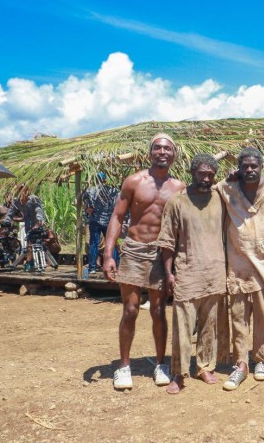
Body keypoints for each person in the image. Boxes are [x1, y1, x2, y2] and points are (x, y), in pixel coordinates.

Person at [103, 133, 185, 390]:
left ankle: (161, 364)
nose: (162, 152)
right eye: (158, 148)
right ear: (151, 153)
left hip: (161, 254)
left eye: (167, 148)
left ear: (173, 155)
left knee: (160, 311)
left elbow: (182, 225)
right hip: (134, 250)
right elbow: (117, 217)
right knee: (130, 309)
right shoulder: (134, 181)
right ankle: (124, 366)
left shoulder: (179, 187)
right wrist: (109, 254)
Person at [156, 154, 228, 394]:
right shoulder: (177, 202)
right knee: (183, 326)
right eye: (201, 173)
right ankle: (179, 372)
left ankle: (205, 366)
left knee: (210, 324)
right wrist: (169, 273)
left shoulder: (219, 198)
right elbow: (166, 241)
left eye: (210, 174)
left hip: (215, 271)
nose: (206, 178)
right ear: (192, 172)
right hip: (187, 271)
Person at [218, 147, 264, 391]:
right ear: (238, 167)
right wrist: (227, 176)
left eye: (253, 166)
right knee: (238, 316)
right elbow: (206, 186)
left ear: (261, 166)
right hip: (237, 264)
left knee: (263, 315)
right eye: (244, 166)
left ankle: (262, 360)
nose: (249, 170)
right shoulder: (227, 189)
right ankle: (240, 363)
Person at [83, 172, 119, 274]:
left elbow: (78, 199)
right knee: (111, 243)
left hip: (94, 221)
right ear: (105, 180)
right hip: (108, 221)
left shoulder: (90, 191)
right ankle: (114, 265)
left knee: (93, 244)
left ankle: (92, 267)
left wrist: (87, 209)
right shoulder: (113, 190)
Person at [2, 185, 45, 271]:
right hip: (28, 225)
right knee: (29, 243)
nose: (21, 192)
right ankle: (30, 262)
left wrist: (39, 221)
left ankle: (30, 262)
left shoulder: (33, 199)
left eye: (23, 190)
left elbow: (38, 211)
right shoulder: (16, 201)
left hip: (36, 223)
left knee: (33, 244)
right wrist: (7, 221)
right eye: (19, 190)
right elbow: (11, 212)